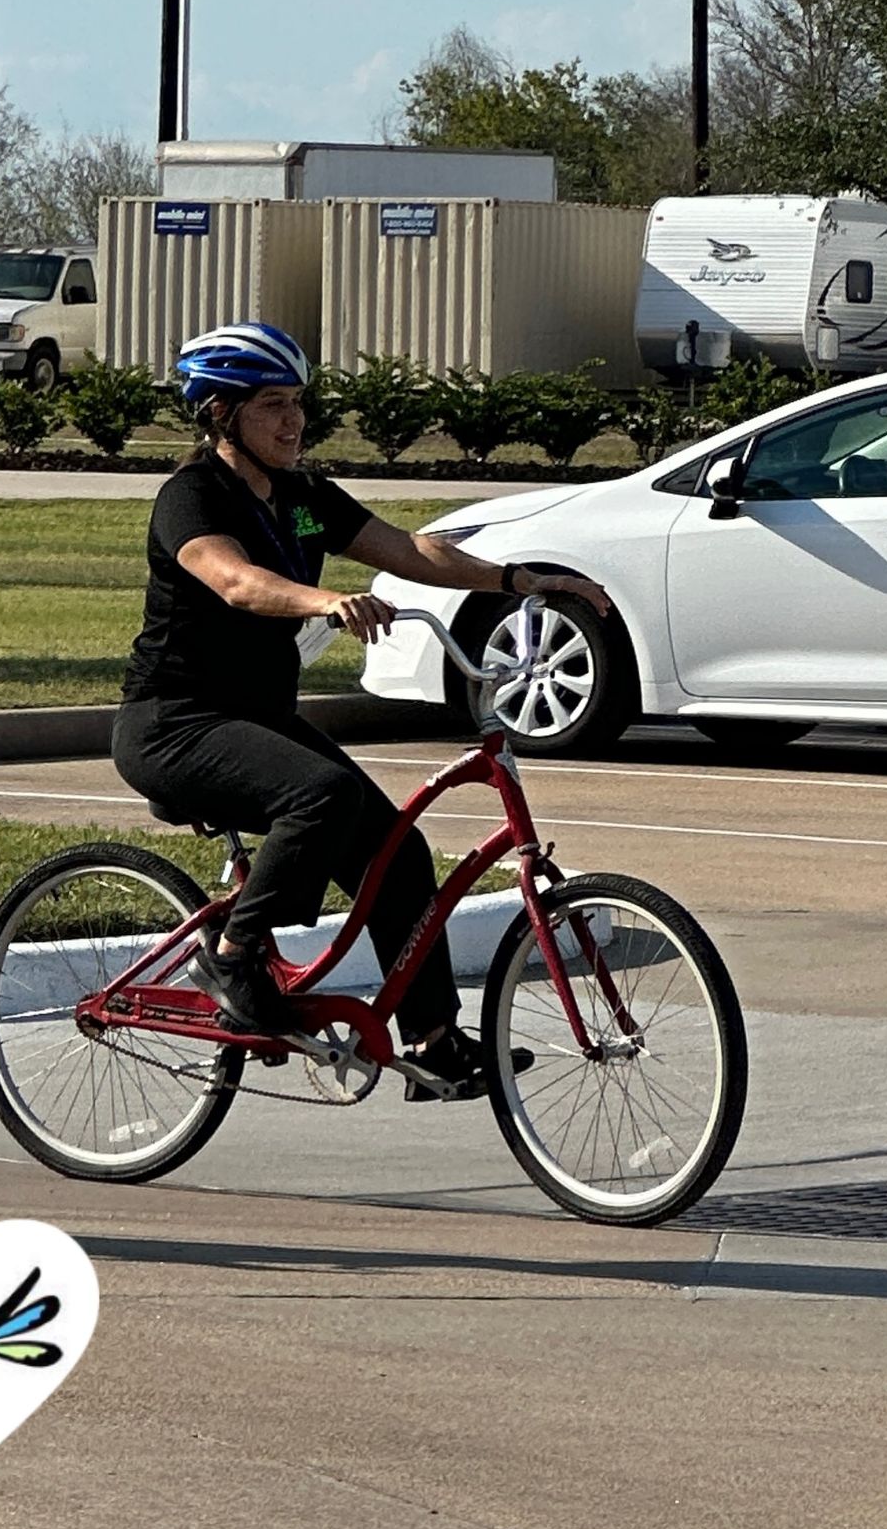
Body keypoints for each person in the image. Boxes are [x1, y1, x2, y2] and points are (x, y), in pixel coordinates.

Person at [111, 322, 611, 1099]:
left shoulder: (303, 504)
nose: (293, 421)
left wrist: (520, 581)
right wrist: (324, 600)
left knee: (398, 851)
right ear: (220, 415)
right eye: (272, 405)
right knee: (322, 795)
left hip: (258, 715)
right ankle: (236, 958)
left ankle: (433, 1040)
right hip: (174, 722)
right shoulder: (193, 497)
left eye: (298, 403)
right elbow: (236, 581)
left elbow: (409, 550)